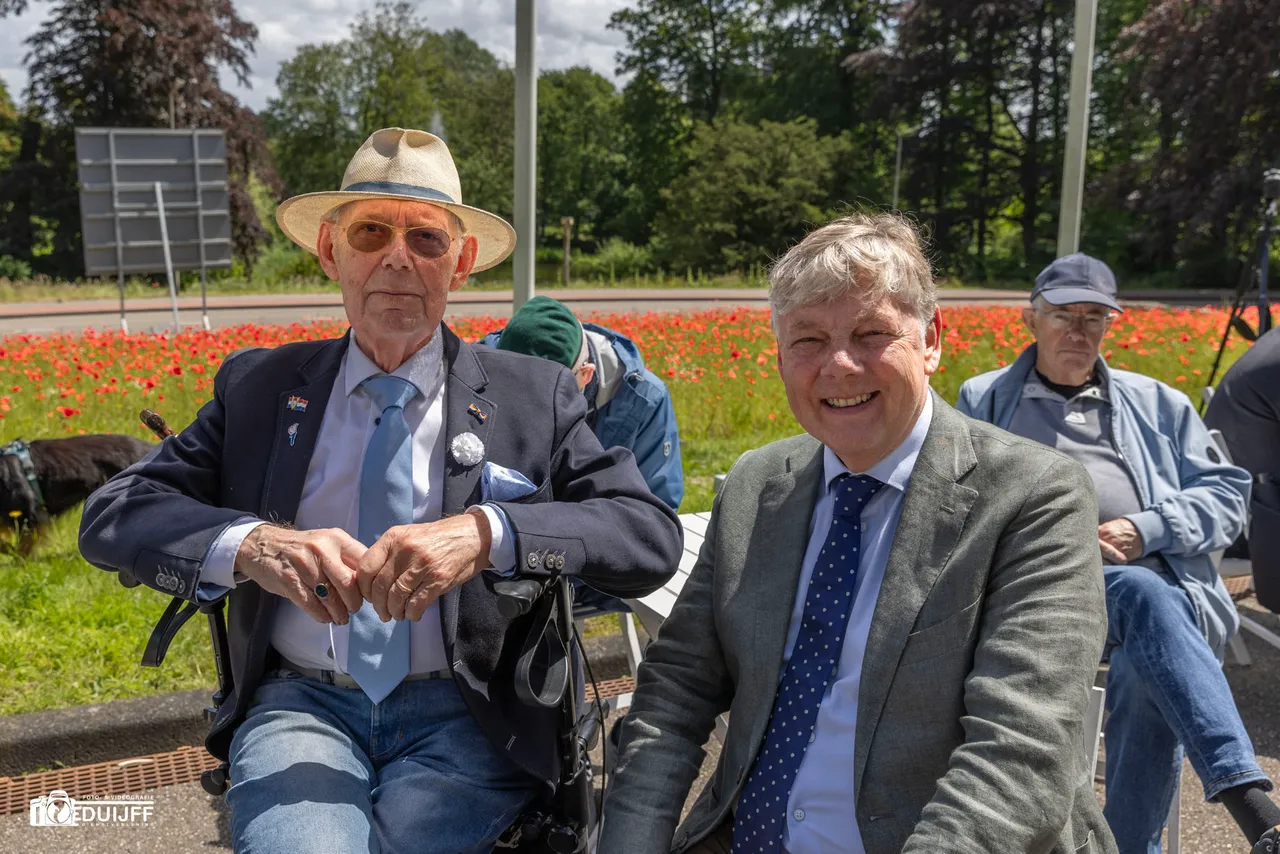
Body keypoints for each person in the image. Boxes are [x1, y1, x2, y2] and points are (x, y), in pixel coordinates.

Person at [78, 128, 683, 854]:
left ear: (458, 265)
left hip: (470, 712)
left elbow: (647, 533)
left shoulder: (536, 395)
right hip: (300, 705)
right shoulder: (262, 387)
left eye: (426, 238)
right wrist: (253, 546)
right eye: (371, 231)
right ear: (332, 251)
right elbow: (114, 514)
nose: (398, 256)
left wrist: (488, 534)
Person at [601, 213, 1116, 854]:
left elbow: (1019, 756)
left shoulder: (1035, 497)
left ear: (930, 339)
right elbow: (674, 694)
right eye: (808, 341)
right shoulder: (757, 485)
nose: (840, 366)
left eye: (871, 334)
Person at [957, 253, 1280, 854]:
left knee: (1144, 653)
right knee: (1140, 593)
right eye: (1063, 316)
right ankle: (1249, 801)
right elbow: (958, 506)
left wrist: (1147, 527)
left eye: (1094, 318)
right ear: (1033, 319)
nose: (1078, 331)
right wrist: (1054, 538)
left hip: (1159, 603)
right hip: (1037, 597)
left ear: (1110, 326)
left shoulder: (1158, 403)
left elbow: (1227, 496)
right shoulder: (985, 401)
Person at [479, 296, 683, 511]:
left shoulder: (644, 400)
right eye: (517, 391)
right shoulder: (476, 369)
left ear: (586, 375)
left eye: (547, 395)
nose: (531, 409)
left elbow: (654, 507)